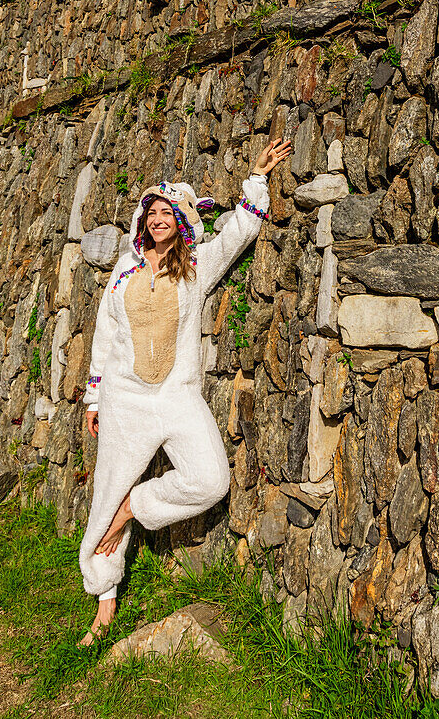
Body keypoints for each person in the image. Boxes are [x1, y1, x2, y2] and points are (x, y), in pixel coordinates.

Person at [78, 138, 292, 645]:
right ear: (141, 222)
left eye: (165, 211)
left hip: (176, 397)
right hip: (124, 399)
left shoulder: (195, 268)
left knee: (211, 478)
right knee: (103, 498)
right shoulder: (124, 271)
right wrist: (94, 397)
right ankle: (104, 607)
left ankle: (138, 504)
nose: (157, 218)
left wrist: (256, 177)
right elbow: (106, 335)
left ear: (180, 219)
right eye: (150, 211)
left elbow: (238, 232)